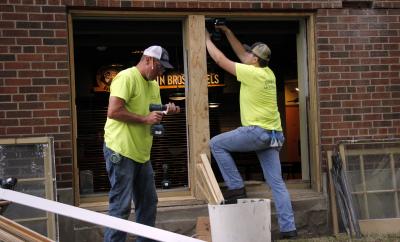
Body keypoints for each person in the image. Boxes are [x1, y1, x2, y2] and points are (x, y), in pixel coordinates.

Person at [205, 25, 297, 239]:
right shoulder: (268, 73)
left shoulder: (250, 73)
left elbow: (220, 60)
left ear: (254, 59)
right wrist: (227, 32)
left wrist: (206, 40)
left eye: (249, 54)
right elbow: (240, 53)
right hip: (274, 136)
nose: (245, 55)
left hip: (257, 133)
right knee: (277, 183)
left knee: (216, 144)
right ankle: (289, 228)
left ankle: (236, 186)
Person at [103, 45, 180, 242]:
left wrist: (165, 110)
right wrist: (145, 119)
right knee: (121, 205)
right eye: (159, 67)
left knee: (148, 203)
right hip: (121, 150)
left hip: (141, 153)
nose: (161, 72)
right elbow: (113, 111)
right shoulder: (126, 77)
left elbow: (152, 112)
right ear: (148, 60)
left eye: (164, 69)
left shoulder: (153, 84)